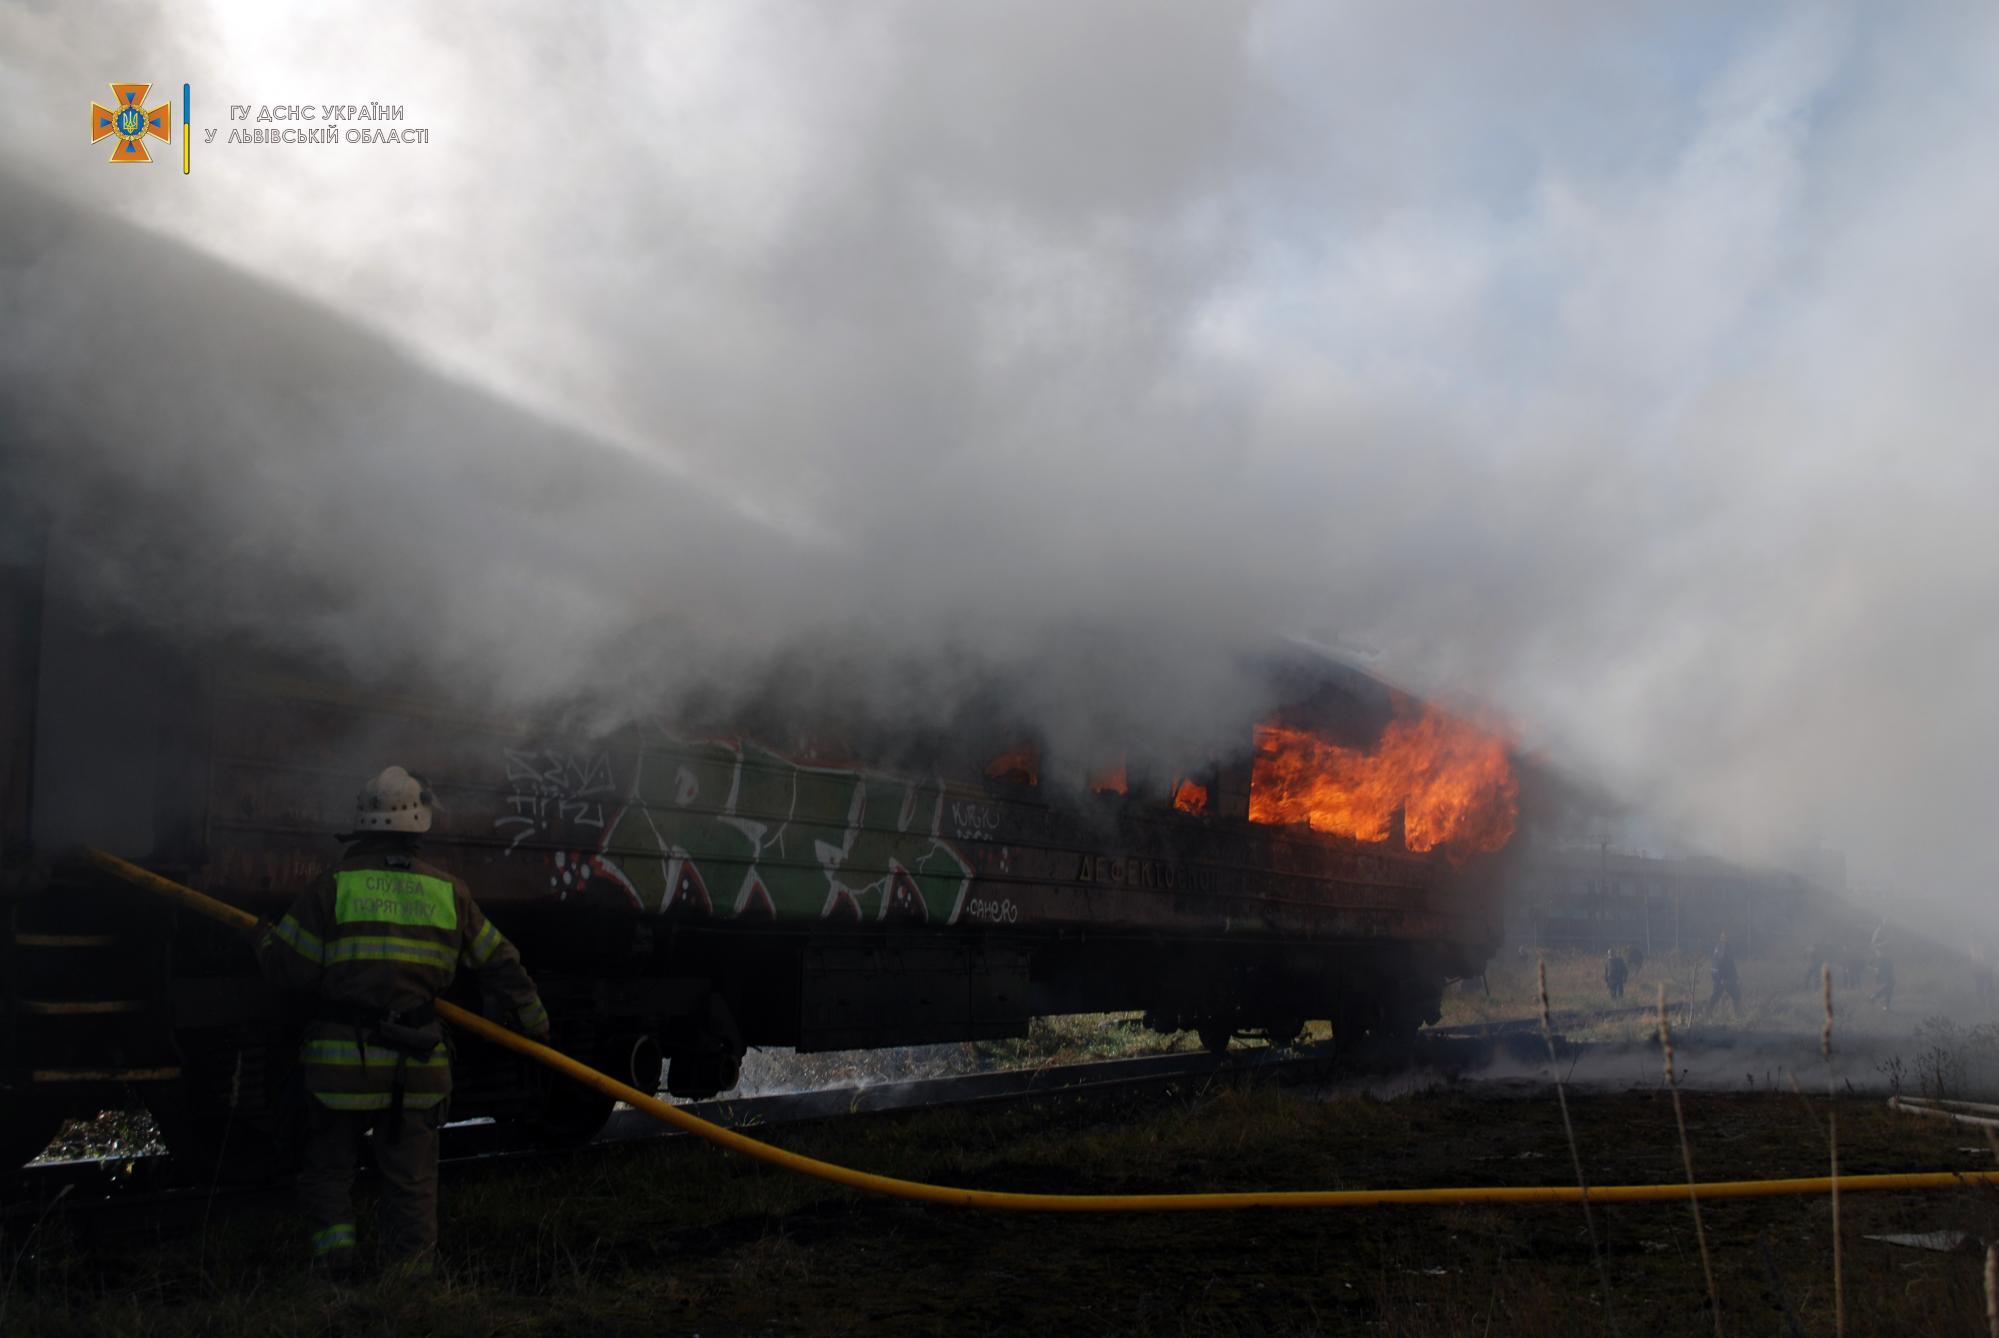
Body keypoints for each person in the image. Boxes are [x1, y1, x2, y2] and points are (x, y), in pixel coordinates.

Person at [256, 766, 551, 1278]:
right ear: (420, 826)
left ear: (363, 825)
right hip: (416, 1063)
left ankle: (336, 1270)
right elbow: (500, 962)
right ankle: (411, 1281)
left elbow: (288, 969)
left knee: (328, 1172)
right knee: (412, 1180)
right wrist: (534, 1023)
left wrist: (261, 938)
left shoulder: (332, 887)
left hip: (340, 1066)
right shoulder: (449, 892)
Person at [1706, 933, 1741, 1016]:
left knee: (1735, 994)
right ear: (1721, 938)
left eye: (1726, 936)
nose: (1726, 938)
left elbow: (1731, 964)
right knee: (1717, 996)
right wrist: (1720, 979)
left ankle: (1738, 1014)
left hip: (1726, 977)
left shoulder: (1727, 947)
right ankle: (1707, 1013)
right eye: (1724, 936)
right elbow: (1717, 964)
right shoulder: (1720, 948)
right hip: (1722, 978)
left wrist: (1737, 977)